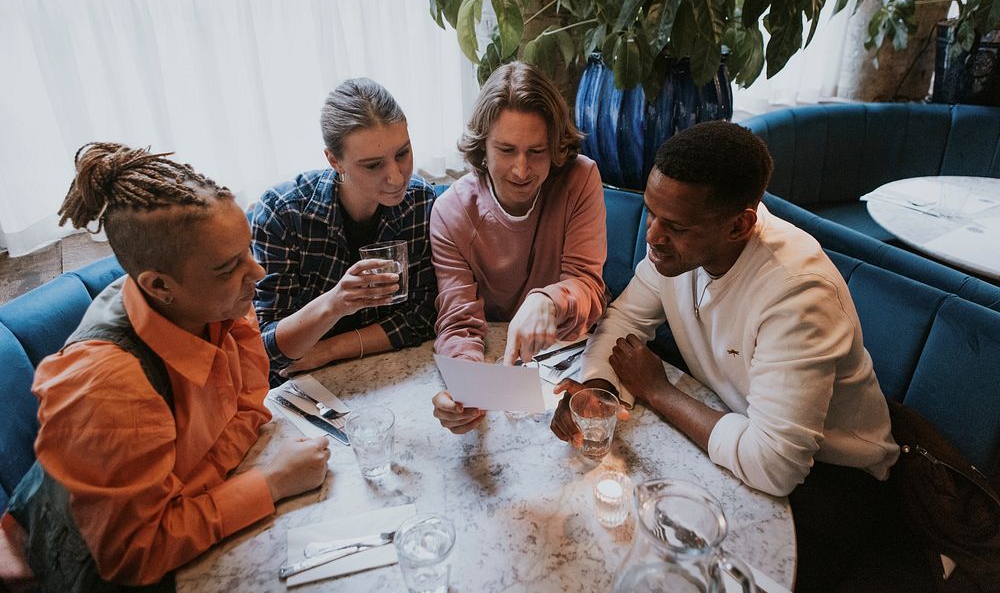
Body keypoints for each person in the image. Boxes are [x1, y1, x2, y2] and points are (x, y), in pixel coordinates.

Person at [549, 121, 922, 589]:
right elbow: (624, 323)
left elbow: (777, 465)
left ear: (739, 224)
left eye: (676, 226)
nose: (653, 236)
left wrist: (657, 391)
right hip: (733, 427)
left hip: (834, 487)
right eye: (651, 213)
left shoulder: (796, 295)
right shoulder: (677, 252)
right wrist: (598, 391)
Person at [0, 143, 330, 589]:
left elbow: (248, 406)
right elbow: (134, 553)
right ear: (158, 286)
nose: (257, 273)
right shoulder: (109, 387)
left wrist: (200, 487)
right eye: (230, 266)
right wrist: (268, 483)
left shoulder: (215, 299)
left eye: (248, 249)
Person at [431, 61, 608, 434]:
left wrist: (547, 300)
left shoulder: (580, 178)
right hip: (498, 366)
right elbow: (459, 321)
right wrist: (466, 386)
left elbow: (588, 285)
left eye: (538, 151)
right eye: (507, 150)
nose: (522, 170)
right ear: (483, 147)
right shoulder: (451, 212)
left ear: (556, 147)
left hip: (566, 366)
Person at [251, 78, 437, 387]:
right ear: (334, 160)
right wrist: (335, 303)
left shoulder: (420, 203)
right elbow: (266, 347)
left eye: (403, 153)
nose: (395, 177)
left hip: (383, 373)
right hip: (303, 387)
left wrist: (330, 350)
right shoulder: (283, 213)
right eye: (373, 165)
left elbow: (422, 316)